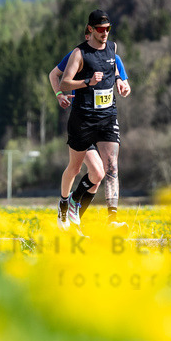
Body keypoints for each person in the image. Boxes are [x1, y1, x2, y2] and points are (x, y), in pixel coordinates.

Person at [48, 31, 130, 227]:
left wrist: (123, 85)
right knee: (80, 169)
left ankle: (79, 215)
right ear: (88, 35)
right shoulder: (78, 54)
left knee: (101, 174)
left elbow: (123, 81)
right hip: (83, 120)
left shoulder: (113, 56)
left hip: (105, 122)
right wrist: (59, 94)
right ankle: (65, 205)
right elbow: (55, 75)